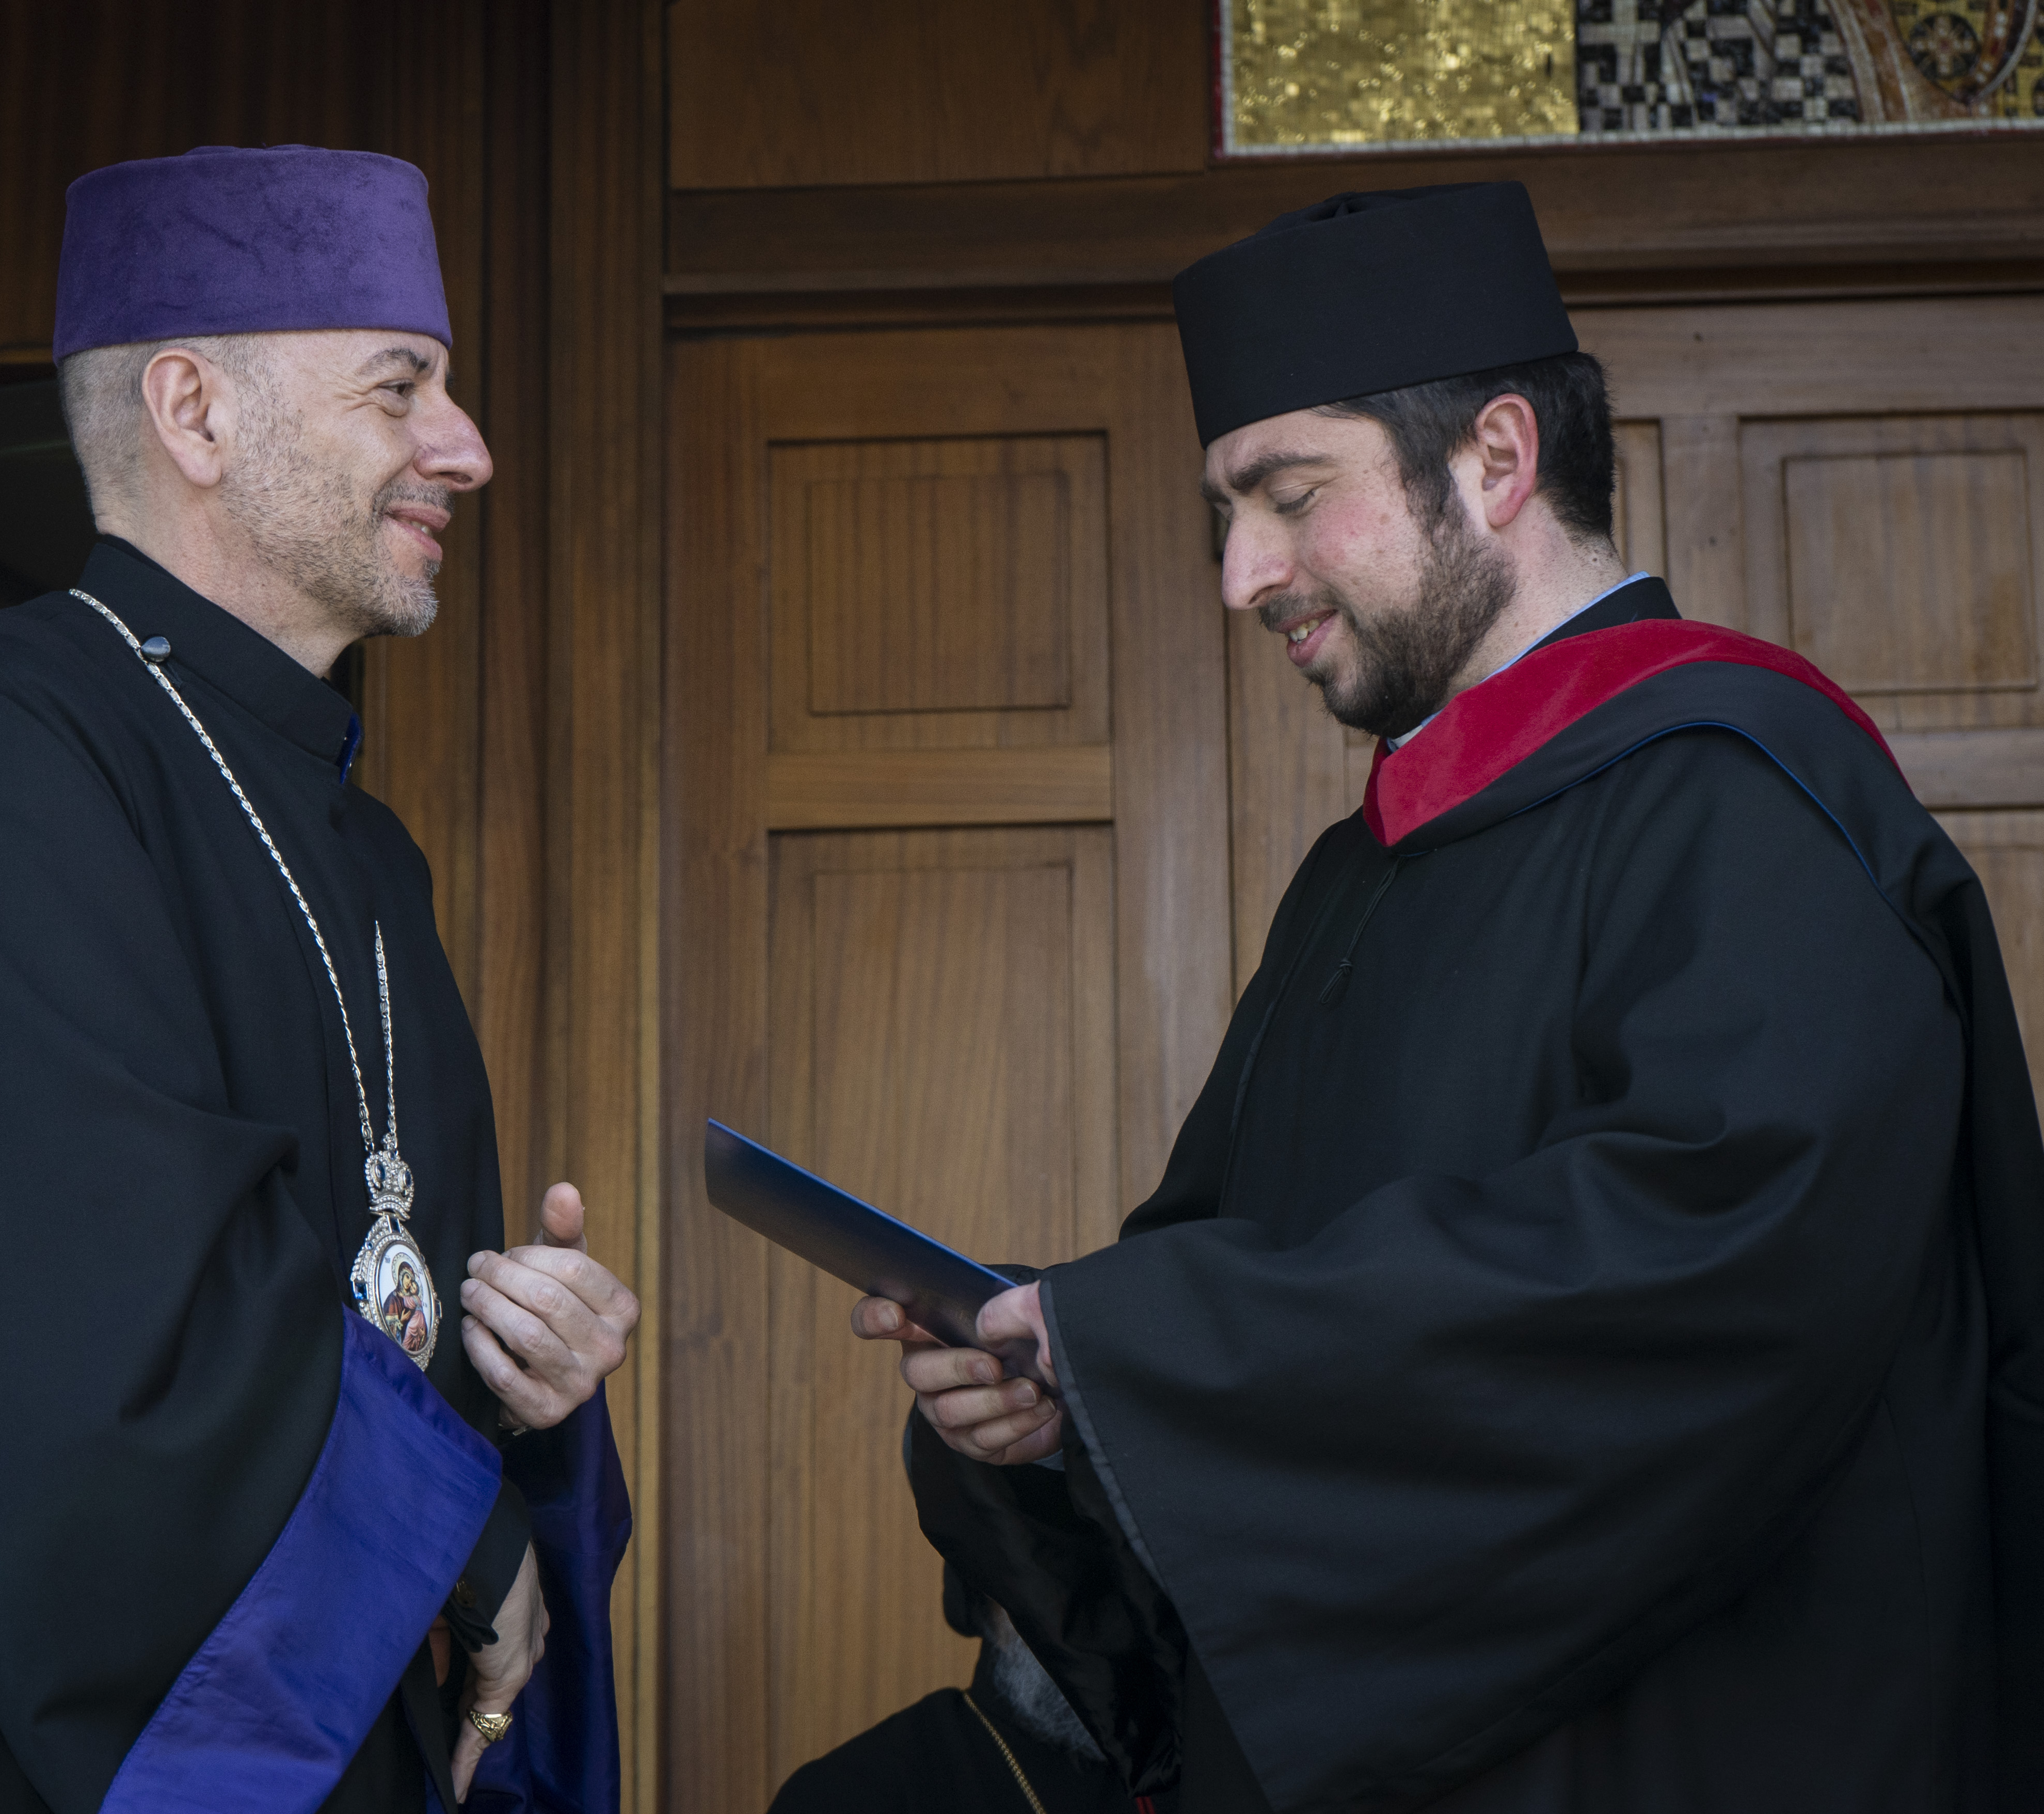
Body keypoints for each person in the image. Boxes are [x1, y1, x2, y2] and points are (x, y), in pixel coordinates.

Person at [854, 182, 2043, 1812]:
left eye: (1286, 495)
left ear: (1493, 460)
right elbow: (1226, 1271)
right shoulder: (1364, 869)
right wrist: (1060, 1398)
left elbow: (1707, 1269)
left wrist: (1139, 1350)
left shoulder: (1747, 800)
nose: (1237, 572)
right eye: (1226, 510)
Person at [0, 146, 637, 1814]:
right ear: (194, 411)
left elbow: (366, 1302)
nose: (467, 448)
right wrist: (467, 1543)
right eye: (400, 388)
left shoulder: (369, 852)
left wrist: (518, 1380)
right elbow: (91, 1343)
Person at [769, 1562, 1139, 1814]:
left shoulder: (1184, 1764)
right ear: (980, 1589)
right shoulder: (846, 1796)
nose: (1092, 1614)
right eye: (1049, 1568)